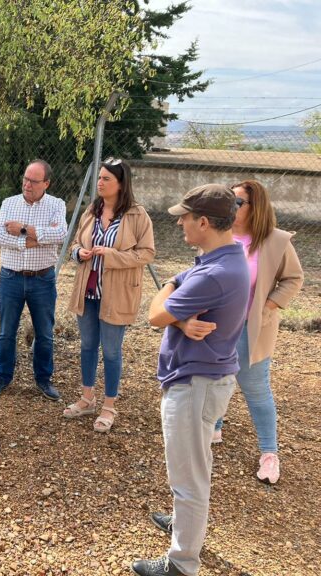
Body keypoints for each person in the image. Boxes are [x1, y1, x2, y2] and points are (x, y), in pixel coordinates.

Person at [131, 184, 249, 576]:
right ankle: (186, 525)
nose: (179, 222)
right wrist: (180, 315)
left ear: (203, 222)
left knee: (189, 476)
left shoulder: (215, 273)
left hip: (196, 383)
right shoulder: (221, 260)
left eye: (184, 217)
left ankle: (182, 562)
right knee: (194, 466)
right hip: (204, 378)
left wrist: (171, 303)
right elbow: (176, 289)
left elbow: (153, 313)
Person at [211, 180, 303, 484]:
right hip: (216, 325)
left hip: (252, 329)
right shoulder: (219, 235)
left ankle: (269, 453)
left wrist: (268, 307)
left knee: (256, 388)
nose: (231, 207)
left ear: (255, 207)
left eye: (238, 202)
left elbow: (293, 278)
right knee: (215, 378)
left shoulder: (275, 241)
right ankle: (214, 426)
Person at [64, 158, 155, 432]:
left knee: (112, 352)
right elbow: (76, 244)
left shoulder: (138, 215)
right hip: (88, 291)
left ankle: (108, 406)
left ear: (121, 184)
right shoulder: (91, 211)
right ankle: (87, 398)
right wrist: (79, 253)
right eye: (99, 178)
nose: (100, 183)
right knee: (87, 346)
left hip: (117, 294)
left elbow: (147, 253)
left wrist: (113, 256)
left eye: (106, 179)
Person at [0, 159, 67, 401]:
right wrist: (33, 239)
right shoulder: (9, 203)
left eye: (33, 181)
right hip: (10, 277)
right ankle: (3, 377)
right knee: (6, 332)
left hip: (42, 279)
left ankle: (43, 379)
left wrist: (22, 228)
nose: (27, 184)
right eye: (25, 179)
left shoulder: (56, 205)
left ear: (46, 183)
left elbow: (60, 233)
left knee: (45, 333)